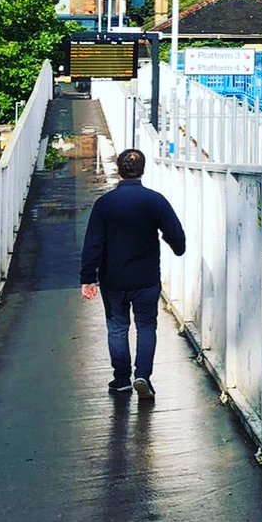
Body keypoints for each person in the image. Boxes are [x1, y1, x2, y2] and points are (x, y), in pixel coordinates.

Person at [80, 148, 186, 401]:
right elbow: (176, 235)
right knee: (146, 326)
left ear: (118, 169)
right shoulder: (154, 200)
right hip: (147, 279)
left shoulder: (104, 204)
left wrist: (88, 277)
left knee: (117, 328)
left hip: (113, 279)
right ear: (143, 170)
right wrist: (176, 246)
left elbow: (93, 243)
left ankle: (121, 379)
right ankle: (143, 376)